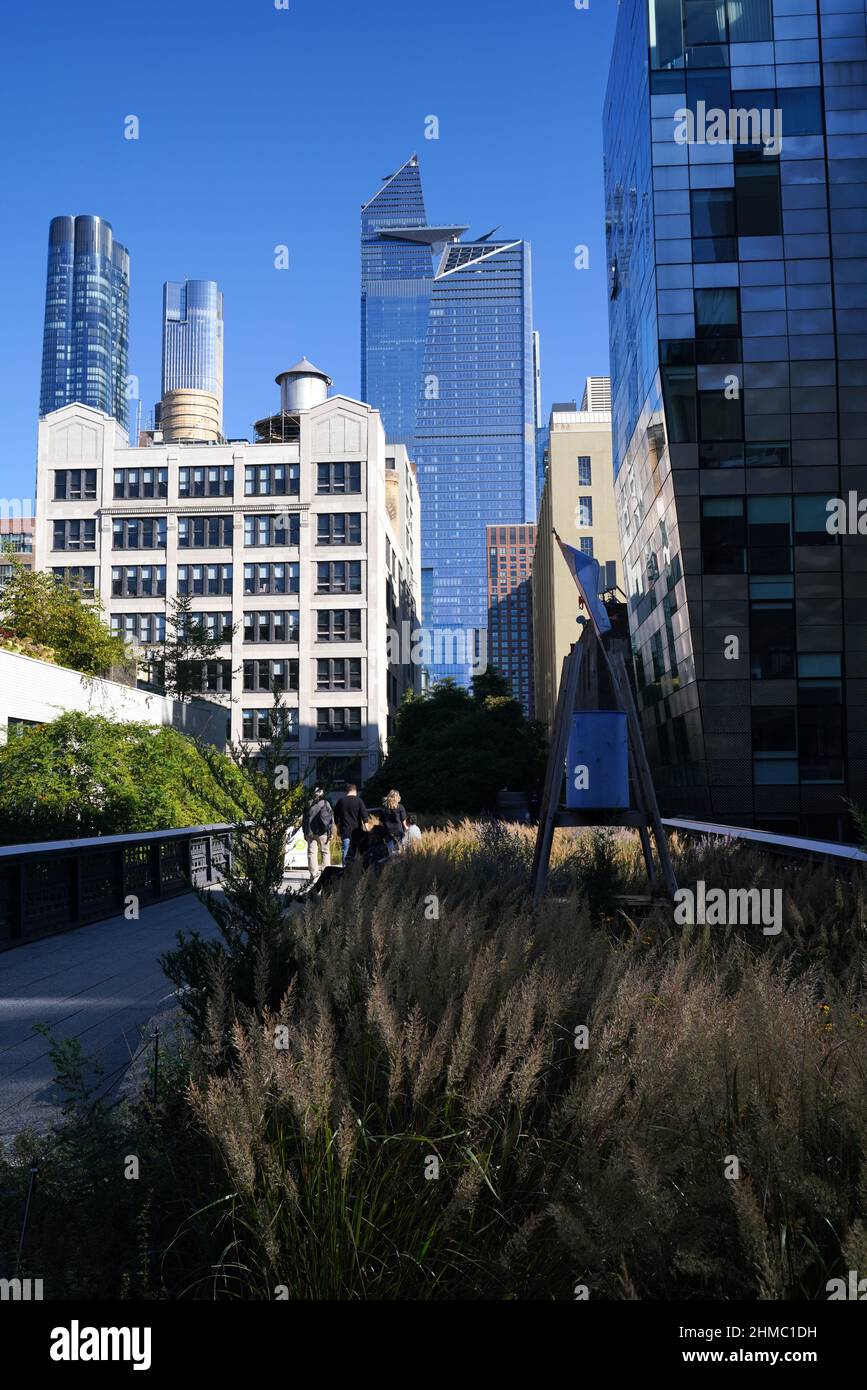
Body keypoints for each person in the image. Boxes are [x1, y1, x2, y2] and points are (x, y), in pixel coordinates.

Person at [302, 785, 334, 882]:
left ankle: (313, 875)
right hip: (323, 832)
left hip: (311, 833)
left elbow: (304, 819)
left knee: (312, 853)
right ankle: (325, 874)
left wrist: (305, 831)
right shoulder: (326, 803)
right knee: (325, 852)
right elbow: (331, 819)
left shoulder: (308, 804)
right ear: (322, 794)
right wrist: (331, 832)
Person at [334, 782, 369, 864]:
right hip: (357, 830)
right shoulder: (359, 801)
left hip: (345, 829)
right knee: (357, 849)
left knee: (345, 849)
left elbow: (336, 816)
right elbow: (364, 816)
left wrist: (338, 827)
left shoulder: (341, 801)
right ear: (355, 791)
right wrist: (367, 829)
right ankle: (356, 867)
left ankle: (345, 869)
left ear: (346, 791)